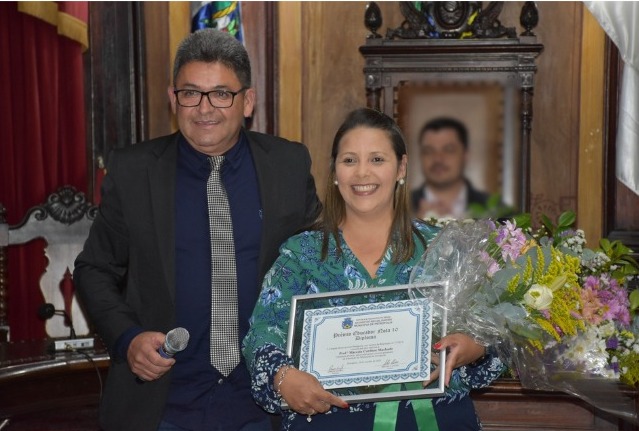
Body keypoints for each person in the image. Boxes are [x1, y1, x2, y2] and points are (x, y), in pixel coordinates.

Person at [74, 29, 321, 431]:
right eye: (191, 93)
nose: (205, 109)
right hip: (164, 405)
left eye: (221, 93)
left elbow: (322, 263)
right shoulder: (134, 172)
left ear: (247, 101)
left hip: (265, 405)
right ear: (173, 99)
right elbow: (94, 269)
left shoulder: (287, 166)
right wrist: (128, 338)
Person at [242, 108, 504, 431]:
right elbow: (263, 332)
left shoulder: (445, 249)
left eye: (377, 159)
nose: (362, 173)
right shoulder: (300, 255)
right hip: (328, 421)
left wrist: (476, 347)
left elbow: (493, 331)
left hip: (431, 419)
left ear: (401, 167)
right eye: (349, 160)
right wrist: (283, 378)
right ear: (335, 171)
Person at [411, 117, 492, 220]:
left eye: (448, 150)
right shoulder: (398, 207)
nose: (438, 159)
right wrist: (415, 226)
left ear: (465, 155)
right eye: (429, 151)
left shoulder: (493, 210)